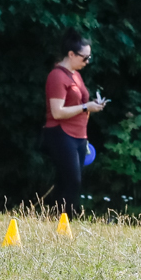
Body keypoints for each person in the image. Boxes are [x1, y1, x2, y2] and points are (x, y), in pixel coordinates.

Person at [42, 30, 107, 216]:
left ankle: (55, 219)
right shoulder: (57, 76)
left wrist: (92, 106)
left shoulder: (75, 75)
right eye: (84, 57)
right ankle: (64, 221)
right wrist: (86, 107)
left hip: (79, 135)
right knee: (72, 181)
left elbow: (80, 105)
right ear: (71, 54)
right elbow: (57, 112)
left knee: (67, 181)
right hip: (61, 133)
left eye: (89, 57)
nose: (87, 62)